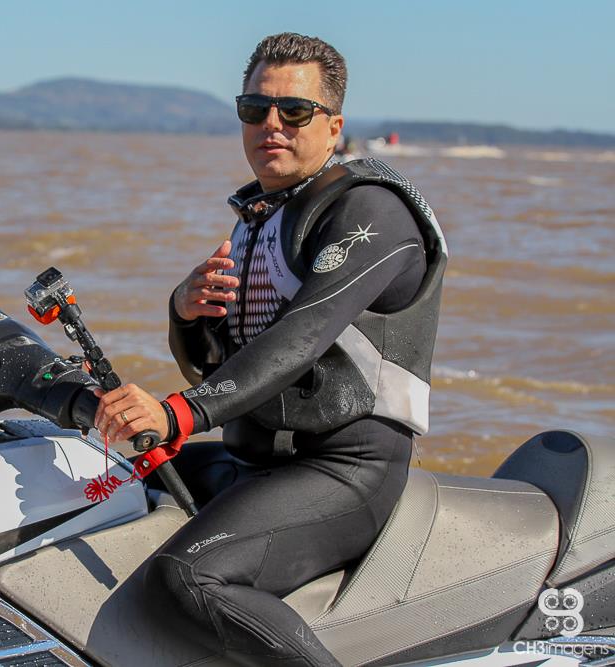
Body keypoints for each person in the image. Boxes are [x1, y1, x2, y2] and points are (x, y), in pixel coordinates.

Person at [93, 32, 446, 666]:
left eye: (294, 110)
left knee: (185, 580)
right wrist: (185, 312)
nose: (271, 125)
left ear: (333, 126)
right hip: (255, 460)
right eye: (254, 109)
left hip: (343, 471)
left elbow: (300, 338)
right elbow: (218, 366)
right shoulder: (264, 215)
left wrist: (178, 413)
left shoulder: (370, 212)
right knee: (100, 485)